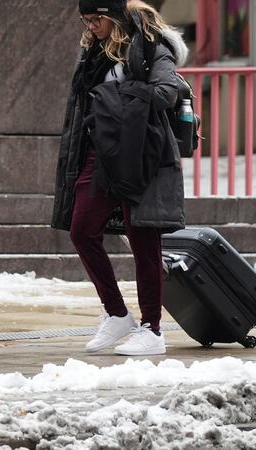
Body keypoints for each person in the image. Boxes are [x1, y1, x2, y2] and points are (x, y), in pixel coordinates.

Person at [51, 0, 188, 356]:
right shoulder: (94, 53)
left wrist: (114, 96)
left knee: (143, 242)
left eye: (97, 19)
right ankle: (116, 313)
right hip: (98, 154)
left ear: (114, 17)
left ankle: (152, 329)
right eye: (86, 20)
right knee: (82, 230)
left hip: (140, 154)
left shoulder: (150, 48)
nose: (91, 26)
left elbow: (166, 92)